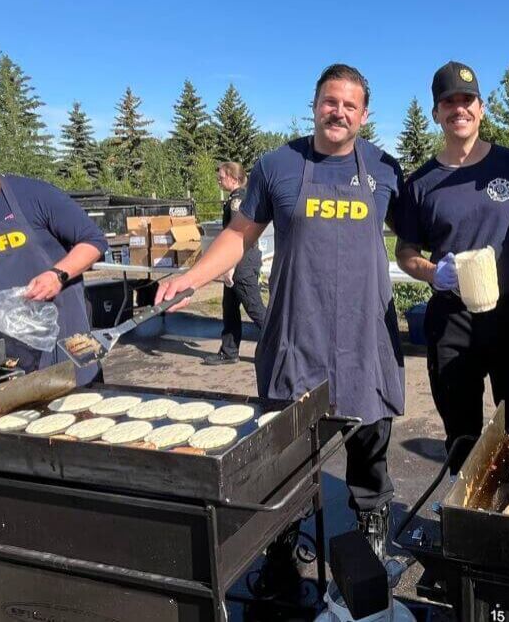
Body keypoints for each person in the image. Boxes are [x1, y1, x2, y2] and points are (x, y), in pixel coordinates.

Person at [156, 64, 405, 558]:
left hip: (363, 334)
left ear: (364, 114)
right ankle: (283, 534)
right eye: (330, 102)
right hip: (299, 330)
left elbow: (418, 238)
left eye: (349, 105)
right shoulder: (278, 165)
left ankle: (372, 525)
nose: (339, 112)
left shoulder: (384, 168)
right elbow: (238, 235)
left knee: (370, 441)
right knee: (287, 449)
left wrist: (448, 268)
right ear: (314, 105)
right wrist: (191, 277)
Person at [395, 61, 509, 472]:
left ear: (482, 107)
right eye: (449, 101)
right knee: (462, 436)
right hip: (452, 321)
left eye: (467, 100)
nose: (460, 109)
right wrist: (432, 272)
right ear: (436, 112)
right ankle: (466, 523)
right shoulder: (421, 184)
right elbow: (406, 252)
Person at [0, 130, 107, 384]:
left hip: (69, 338)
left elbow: (94, 241)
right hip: (1, 353)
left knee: (92, 413)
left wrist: (57, 275)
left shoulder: (36, 194)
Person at [202, 162, 267, 366]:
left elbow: (240, 235)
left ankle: (284, 346)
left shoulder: (238, 200)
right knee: (229, 308)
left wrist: (229, 267)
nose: (218, 180)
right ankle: (229, 351)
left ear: (233, 177)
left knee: (254, 308)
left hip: (242, 262)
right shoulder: (237, 198)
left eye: (221, 177)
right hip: (239, 261)